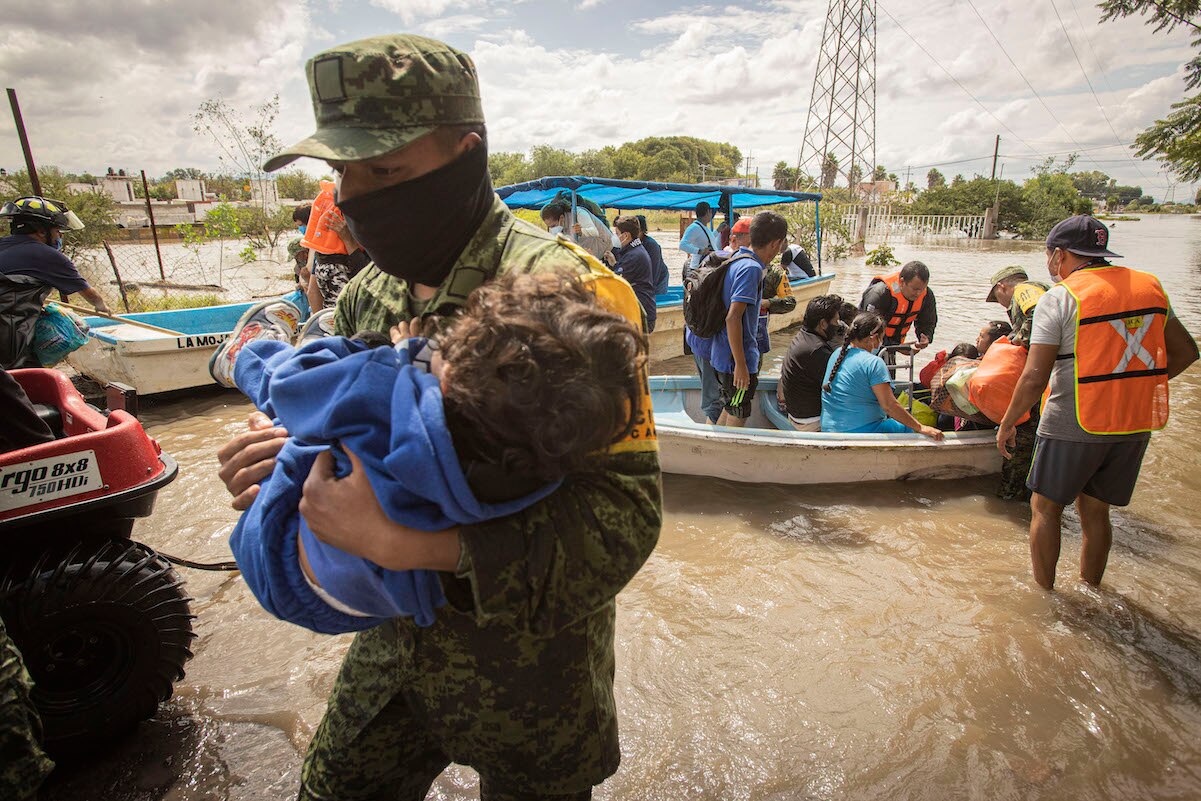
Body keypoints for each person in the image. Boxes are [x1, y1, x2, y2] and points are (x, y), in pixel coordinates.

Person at [214, 34, 661, 801]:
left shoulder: (565, 298)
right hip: (393, 651)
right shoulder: (373, 290)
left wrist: (408, 543)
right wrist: (293, 448)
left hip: (532, 674)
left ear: (466, 153)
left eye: (384, 169)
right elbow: (339, 413)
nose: (356, 194)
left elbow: (622, 520)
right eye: (342, 170)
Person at [228, 271, 647, 635]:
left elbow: (287, 388)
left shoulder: (379, 388)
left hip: (278, 554)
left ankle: (245, 351)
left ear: (447, 380)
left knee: (334, 375)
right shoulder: (534, 466)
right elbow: (449, 415)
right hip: (371, 600)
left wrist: (402, 357)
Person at [997, 216, 1198, 590]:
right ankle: (1091, 588)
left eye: (1048, 256)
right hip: (1134, 423)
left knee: (1045, 509)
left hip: (1075, 420)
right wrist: (1135, 388)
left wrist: (1008, 422)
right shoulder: (1151, 286)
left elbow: (1035, 375)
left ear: (1060, 255)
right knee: (1095, 512)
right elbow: (1186, 352)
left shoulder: (1061, 297)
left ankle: (1046, 596)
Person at [686, 211, 788, 428]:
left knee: (729, 405)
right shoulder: (750, 269)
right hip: (736, 358)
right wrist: (741, 365)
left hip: (723, 353)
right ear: (776, 243)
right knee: (739, 410)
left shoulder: (737, 258)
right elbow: (733, 317)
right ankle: (727, 458)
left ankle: (715, 451)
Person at [0, 196, 110, 369]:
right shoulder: (47, 255)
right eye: (58, 230)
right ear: (41, 231)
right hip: (9, 335)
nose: (59, 236)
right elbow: (87, 292)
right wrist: (102, 307)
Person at [820, 311, 945, 439]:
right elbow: (889, 406)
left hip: (828, 429)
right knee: (908, 428)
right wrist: (920, 427)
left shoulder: (837, 354)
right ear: (873, 338)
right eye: (882, 338)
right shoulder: (874, 363)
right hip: (861, 432)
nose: (881, 343)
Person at [777, 294, 844, 430]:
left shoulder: (803, 336)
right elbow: (839, 388)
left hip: (797, 413)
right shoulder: (817, 351)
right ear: (823, 324)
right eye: (836, 321)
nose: (838, 325)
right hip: (811, 421)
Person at [859, 260, 937, 358]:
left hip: (890, 348)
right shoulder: (879, 294)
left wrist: (926, 336)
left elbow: (928, 321)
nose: (918, 293)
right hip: (865, 348)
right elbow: (867, 331)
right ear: (902, 282)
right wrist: (896, 347)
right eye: (915, 289)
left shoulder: (926, 295)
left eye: (922, 289)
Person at [986, 265, 1048, 348]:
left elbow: (1038, 312)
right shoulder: (1035, 290)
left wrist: (1017, 340)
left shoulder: (1023, 289)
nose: (1000, 303)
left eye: (996, 297)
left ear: (1001, 287)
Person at [611, 216, 656, 331]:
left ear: (626, 235)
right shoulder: (634, 250)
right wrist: (615, 264)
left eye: (617, 233)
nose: (615, 237)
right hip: (640, 311)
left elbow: (616, 282)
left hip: (640, 314)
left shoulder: (634, 256)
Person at [540, 198, 616, 264]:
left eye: (553, 226)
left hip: (608, 250)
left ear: (561, 218)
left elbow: (594, 231)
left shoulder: (578, 213)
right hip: (591, 256)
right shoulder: (557, 225)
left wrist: (581, 232)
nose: (552, 229)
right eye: (549, 227)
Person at [678, 201, 721, 279]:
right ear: (708, 212)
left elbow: (709, 239)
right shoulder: (694, 228)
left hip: (706, 266)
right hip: (699, 268)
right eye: (711, 212)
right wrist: (699, 251)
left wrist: (718, 230)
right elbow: (682, 245)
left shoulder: (702, 226)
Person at [637, 214, 669, 296]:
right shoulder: (633, 243)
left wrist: (649, 292)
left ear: (642, 230)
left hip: (659, 278)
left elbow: (655, 270)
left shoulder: (651, 245)